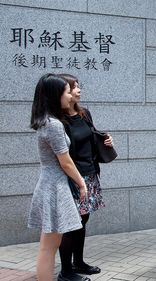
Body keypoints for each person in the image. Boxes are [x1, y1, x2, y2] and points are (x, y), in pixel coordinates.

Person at [28, 73, 87, 281]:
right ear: (55, 95)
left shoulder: (47, 121)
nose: (70, 96)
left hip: (50, 184)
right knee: (49, 247)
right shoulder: (54, 124)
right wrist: (81, 183)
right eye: (67, 91)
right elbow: (66, 161)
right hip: (55, 186)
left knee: (49, 246)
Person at [58, 74, 113, 281]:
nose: (79, 90)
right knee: (71, 224)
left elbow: (93, 135)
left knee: (83, 220)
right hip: (72, 177)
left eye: (79, 86)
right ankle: (66, 271)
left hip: (90, 173)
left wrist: (106, 139)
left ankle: (78, 262)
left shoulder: (84, 113)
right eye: (74, 87)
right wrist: (76, 179)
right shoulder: (60, 121)